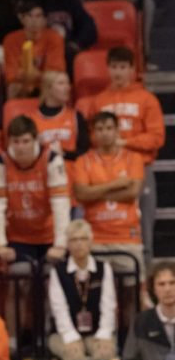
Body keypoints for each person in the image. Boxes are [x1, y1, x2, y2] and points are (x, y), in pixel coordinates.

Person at [86, 47, 165, 264]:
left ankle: (144, 282)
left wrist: (125, 143)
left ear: (132, 69)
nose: (118, 72)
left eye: (122, 67)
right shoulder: (99, 100)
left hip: (141, 170)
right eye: (113, 67)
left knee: (144, 227)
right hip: (106, 169)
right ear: (108, 69)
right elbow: (91, 137)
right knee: (106, 225)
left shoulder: (146, 99)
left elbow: (157, 138)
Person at [69, 111, 146, 286]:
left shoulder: (133, 158)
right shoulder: (83, 161)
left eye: (109, 128)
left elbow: (132, 193)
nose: (105, 133)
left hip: (127, 237)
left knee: (133, 292)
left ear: (118, 130)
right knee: (94, 294)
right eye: (100, 129)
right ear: (93, 133)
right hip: (95, 240)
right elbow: (81, 195)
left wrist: (95, 192)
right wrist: (116, 184)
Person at [47, 220, 117, 360]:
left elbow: (109, 305)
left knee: (104, 354)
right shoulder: (59, 271)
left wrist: (104, 335)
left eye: (83, 239)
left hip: (96, 331)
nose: (79, 244)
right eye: (74, 239)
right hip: (62, 333)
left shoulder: (103, 269)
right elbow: (58, 308)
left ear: (91, 242)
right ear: (68, 244)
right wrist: (70, 337)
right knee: (74, 357)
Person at [89, 261, 175, 360]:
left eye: (172, 283)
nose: (168, 289)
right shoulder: (142, 321)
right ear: (153, 289)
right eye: (161, 284)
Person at [0, 115, 70, 265]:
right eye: (16, 142)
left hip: (49, 235)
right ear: (9, 142)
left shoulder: (51, 159)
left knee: (52, 274)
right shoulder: (0, 163)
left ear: (36, 140)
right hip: (18, 237)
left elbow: (61, 205)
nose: (20, 147)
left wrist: (60, 244)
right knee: (20, 273)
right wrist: (0, 244)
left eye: (25, 141)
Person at [33, 0, 98, 68]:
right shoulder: (33, 4)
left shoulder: (71, 3)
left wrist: (77, 43)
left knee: (68, 53)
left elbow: (88, 26)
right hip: (41, 47)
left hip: (67, 47)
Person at [19, 71, 89, 162]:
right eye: (61, 83)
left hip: (72, 171)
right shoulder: (30, 119)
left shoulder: (76, 116)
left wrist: (64, 154)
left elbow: (84, 151)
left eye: (68, 83)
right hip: (43, 171)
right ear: (48, 88)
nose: (67, 87)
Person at [3, 0, 66, 98]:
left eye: (38, 16)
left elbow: (56, 71)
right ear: (22, 19)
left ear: (45, 20)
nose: (34, 21)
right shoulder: (11, 39)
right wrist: (25, 76)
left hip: (44, 82)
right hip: (22, 82)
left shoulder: (54, 38)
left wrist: (37, 75)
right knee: (13, 88)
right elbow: (11, 73)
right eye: (29, 16)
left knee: (56, 85)